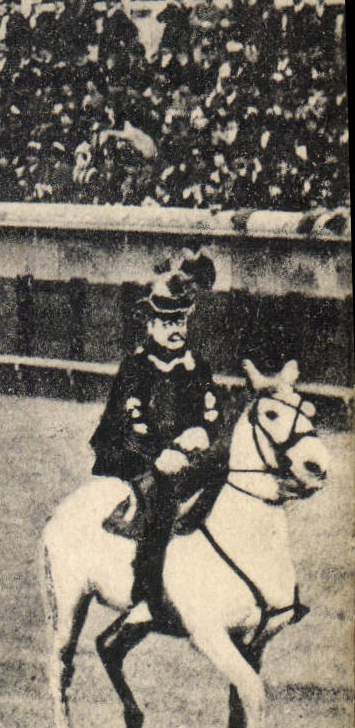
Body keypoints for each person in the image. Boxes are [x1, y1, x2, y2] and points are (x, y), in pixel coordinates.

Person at [92, 251, 221, 627]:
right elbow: (131, 423)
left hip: (181, 453)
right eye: (166, 321)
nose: (174, 328)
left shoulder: (198, 365)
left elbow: (212, 413)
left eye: (180, 319)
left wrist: (201, 433)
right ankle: (146, 595)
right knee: (161, 499)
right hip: (131, 454)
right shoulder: (137, 366)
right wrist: (159, 455)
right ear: (150, 325)